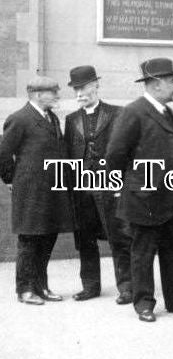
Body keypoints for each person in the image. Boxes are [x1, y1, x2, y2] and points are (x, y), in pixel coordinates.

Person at [106, 58, 173, 322]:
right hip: (145, 200)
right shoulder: (133, 112)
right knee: (143, 254)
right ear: (156, 84)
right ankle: (143, 303)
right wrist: (126, 189)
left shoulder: (165, 111)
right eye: (172, 81)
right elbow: (115, 155)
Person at [0, 76, 74, 305]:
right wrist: (11, 179)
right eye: (53, 92)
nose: (57, 95)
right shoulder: (19, 119)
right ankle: (25, 290)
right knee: (30, 240)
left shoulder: (51, 118)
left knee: (47, 238)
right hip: (31, 192)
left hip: (51, 191)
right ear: (37, 94)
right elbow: (3, 154)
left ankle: (41, 287)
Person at [63, 65, 133, 303]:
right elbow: (68, 155)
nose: (79, 94)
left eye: (83, 88)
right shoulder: (71, 120)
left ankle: (127, 287)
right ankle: (90, 285)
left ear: (95, 86)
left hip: (111, 186)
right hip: (82, 188)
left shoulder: (117, 113)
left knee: (119, 237)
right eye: (76, 89)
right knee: (85, 238)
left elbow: (127, 151)